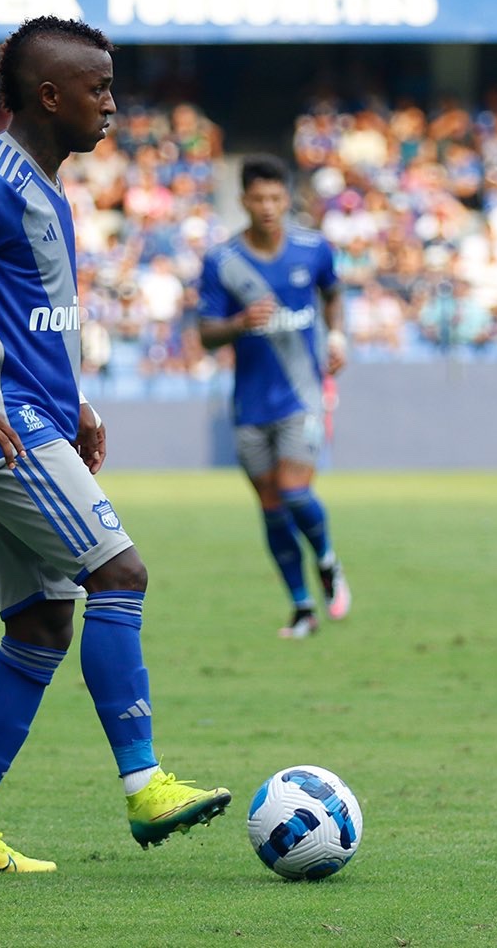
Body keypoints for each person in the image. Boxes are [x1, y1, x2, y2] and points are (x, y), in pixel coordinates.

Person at [0, 15, 230, 874]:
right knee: (120, 573)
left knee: (40, 628)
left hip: (33, 416)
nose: (112, 104)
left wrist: (75, 401)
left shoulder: (43, 182)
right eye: (99, 88)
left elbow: (22, 319)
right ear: (50, 96)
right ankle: (146, 786)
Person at [197, 155, 351, 639]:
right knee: (270, 506)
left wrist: (338, 338)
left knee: (294, 491)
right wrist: (240, 324)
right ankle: (302, 607)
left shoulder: (313, 248)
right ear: (243, 200)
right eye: (258, 198)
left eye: (276, 198)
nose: (267, 207)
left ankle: (326, 560)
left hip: (302, 396)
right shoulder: (222, 262)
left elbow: (333, 293)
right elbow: (205, 334)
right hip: (249, 405)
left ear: (288, 199)